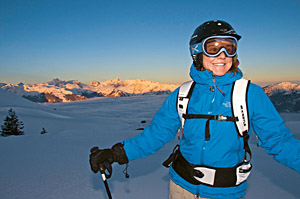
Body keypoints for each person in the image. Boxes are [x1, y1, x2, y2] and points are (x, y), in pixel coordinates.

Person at [89, 20, 300, 199]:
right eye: (213, 47)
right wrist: (117, 153)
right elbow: (156, 135)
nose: (223, 54)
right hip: (181, 187)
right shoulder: (183, 94)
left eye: (230, 47)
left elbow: (279, 141)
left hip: (224, 193)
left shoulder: (249, 94)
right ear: (197, 51)